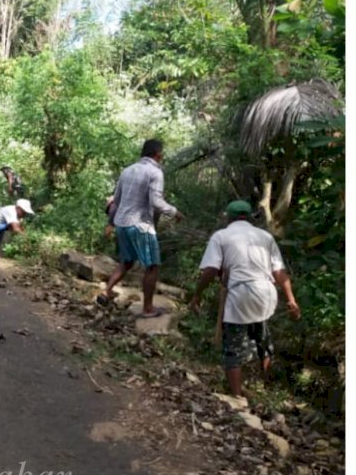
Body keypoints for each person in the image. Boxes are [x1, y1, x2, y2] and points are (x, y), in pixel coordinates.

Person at [188, 200, 301, 398]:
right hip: (266, 293)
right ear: (249, 217)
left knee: (232, 347)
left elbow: (211, 269)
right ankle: (265, 387)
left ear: (228, 217)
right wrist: (291, 300)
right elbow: (279, 271)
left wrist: (197, 295)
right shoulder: (265, 236)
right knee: (262, 338)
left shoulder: (221, 236)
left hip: (240, 294)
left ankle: (237, 397)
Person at [99, 139, 183, 316]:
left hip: (122, 224)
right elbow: (156, 202)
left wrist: (112, 223)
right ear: (158, 155)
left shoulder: (127, 170)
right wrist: (174, 212)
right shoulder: (155, 172)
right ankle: (148, 308)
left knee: (126, 262)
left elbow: (117, 201)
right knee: (152, 266)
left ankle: (106, 291)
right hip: (141, 225)